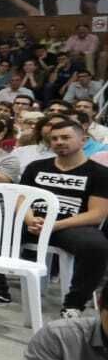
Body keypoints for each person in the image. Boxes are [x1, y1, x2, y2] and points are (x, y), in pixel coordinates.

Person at [18, 120, 108, 318]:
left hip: (68, 227)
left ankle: (73, 305)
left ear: (83, 140)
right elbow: (21, 198)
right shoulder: (36, 167)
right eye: (54, 139)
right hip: (32, 222)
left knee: (97, 246)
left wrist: (54, 225)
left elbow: (97, 214)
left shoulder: (100, 173)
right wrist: (29, 219)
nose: (59, 142)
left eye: (65, 137)